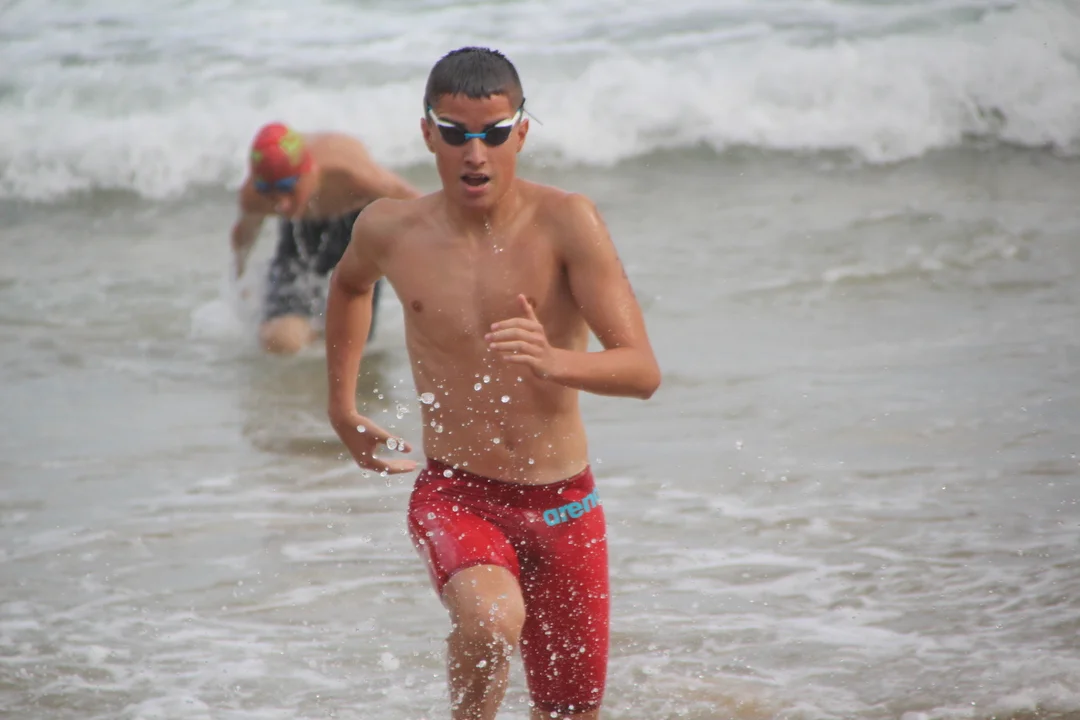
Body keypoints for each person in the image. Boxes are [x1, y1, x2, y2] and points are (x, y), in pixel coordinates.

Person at [325, 47, 661, 720]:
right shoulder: (391, 229)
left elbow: (641, 371)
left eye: (494, 133)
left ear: (522, 132)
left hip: (564, 504)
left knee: (570, 714)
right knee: (489, 619)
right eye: (455, 134)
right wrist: (341, 407)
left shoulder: (567, 223)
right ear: (428, 133)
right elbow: (349, 286)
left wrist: (554, 360)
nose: (474, 154)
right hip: (458, 493)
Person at [230, 123, 421, 354]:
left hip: (354, 226)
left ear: (309, 171)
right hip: (299, 231)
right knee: (280, 341)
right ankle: (312, 331)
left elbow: (420, 207)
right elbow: (242, 240)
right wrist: (241, 281)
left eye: (287, 188)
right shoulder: (255, 195)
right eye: (269, 192)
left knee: (351, 342)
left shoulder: (352, 176)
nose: (282, 204)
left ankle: (323, 330)